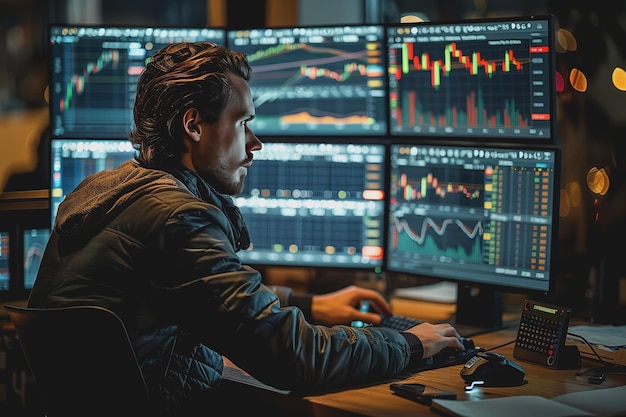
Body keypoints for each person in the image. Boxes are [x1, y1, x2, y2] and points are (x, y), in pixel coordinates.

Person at [27, 42, 464, 415]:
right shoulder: (176, 215)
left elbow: (195, 295)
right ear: (193, 125)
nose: (255, 144)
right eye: (243, 122)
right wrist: (409, 343)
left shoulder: (108, 192)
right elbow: (293, 358)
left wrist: (308, 304)